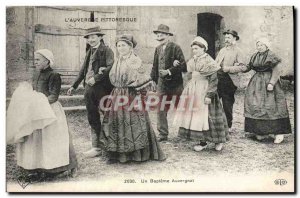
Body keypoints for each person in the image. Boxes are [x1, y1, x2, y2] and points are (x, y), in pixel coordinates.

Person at [7, 49, 77, 181]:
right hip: (37, 111)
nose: (35, 62)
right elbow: (34, 91)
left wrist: (40, 103)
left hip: (50, 111)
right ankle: (38, 167)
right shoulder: (36, 74)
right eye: (35, 60)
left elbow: (54, 96)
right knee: (36, 140)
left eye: (38, 60)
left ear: (47, 61)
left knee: (54, 139)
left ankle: (66, 166)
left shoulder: (54, 75)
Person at [99, 34, 166, 164]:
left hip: (130, 95)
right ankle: (117, 155)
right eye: (118, 45)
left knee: (133, 125)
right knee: (116, 124)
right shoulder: (118, 60)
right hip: (117, 94)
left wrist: (140, 98)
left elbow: (142, 80)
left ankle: (136, 155)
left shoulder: (135, 60)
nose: (120, 48)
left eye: (123, 45)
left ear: (130, 47)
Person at [173, 37, 229, 151]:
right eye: (193, 49)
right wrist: (176, 64)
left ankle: (219, 141)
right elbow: (187, 71)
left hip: (205, 90)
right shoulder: (192, 60)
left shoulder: (209, 62)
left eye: (197, 48)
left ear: (204, 49)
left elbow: (213, 80)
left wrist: (209, 95)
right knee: (197, 117)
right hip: (193, 89)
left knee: (209, 117)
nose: (194, 51)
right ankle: (202, 142)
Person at [67, 26, 114, 158]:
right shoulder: (89, 51)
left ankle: (111, 146)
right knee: (92, 117)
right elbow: (83, 70)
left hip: (102, 89)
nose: (91, 39)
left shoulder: (107, 50)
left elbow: (111, 67)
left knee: (107, 115)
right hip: (89, 89)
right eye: (88, 37)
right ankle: (96, 147)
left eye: (93, 37)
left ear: (100, 37)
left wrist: (96, 78)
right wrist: (74, 86)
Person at [240, 38, 291, 143]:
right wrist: (240, 67)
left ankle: (278, 133)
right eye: (258, 45)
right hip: (256, 83)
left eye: (261, 45)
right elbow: (248, 67)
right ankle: (260, 131)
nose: (259, 47)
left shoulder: (271, 56)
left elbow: (276, 70)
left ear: (266, 46)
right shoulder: (255, 55)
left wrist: (272, 83)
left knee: (272, 106)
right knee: (256, 105)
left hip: (268, 81)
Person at [150, 24, 187, 142]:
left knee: (179, 107)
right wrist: (154, 80)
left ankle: (184, 132)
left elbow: (183, 65)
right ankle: (163, 134)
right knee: (161, 109)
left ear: (167, 35)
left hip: (176, 84)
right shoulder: (158, 49)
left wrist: (169, 71)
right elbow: (155, 66)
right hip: (162, 85)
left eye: (161, 33)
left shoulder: (176, 47)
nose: (159, 35)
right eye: (157, 34)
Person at [215, 29, 245, 132]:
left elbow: (243, 67)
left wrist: (229, 68)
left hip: (229, 81)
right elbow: (216, 63)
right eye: (226, 37)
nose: (226, 39)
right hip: (218, 79)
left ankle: (228, 126)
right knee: (214, 101)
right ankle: (215, 124)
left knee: (227, 104)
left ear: (235, 39)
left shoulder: (238, 51)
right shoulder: (222, 50)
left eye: (229, 37)